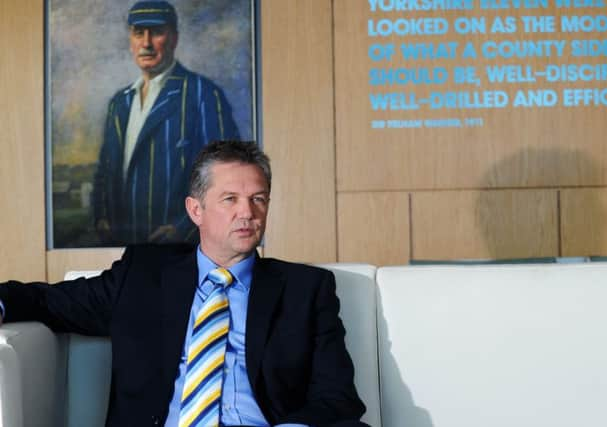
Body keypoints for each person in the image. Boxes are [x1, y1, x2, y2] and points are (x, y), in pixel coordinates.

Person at [0, 140, 369, 427]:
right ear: (196, 210)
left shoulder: (305, 289)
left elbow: (337, 396)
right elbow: (45, 302)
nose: (248, 212)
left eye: (258, 199)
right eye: (230, 199)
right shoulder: (143, 276)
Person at [93, 0, 240, 246]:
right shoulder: (119, 103)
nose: (146, 43)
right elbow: (104, 171)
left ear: (174, 38)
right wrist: (100, 218)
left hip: (181, 251)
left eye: (157, 32)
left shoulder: (202, 94)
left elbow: (227, 174)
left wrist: (183, 228)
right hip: (122, 251)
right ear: (131, 39)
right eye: (139, 33)